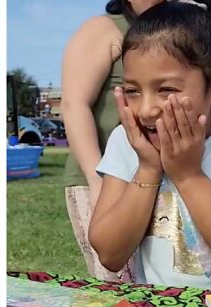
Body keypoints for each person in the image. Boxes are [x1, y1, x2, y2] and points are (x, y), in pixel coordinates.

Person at [88, 0, 211, 293]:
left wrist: (187, 175)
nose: (145, 110)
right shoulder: (126, 141)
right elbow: (109, 254)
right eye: (132, 91)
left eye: (166, 89)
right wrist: (148, 168)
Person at [61, 0, 164, 283]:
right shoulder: (104, 29)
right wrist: (97, 180)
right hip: (107, 177)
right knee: (120, 285)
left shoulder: (180, 25)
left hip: (165, 178)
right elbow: (74, 105)